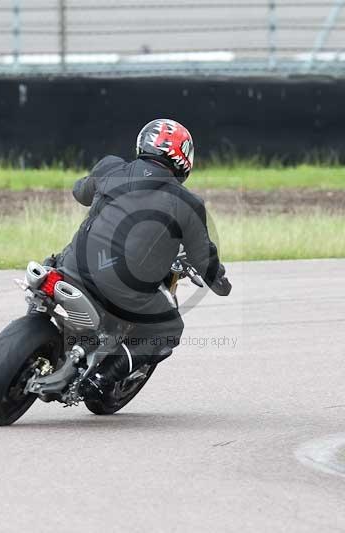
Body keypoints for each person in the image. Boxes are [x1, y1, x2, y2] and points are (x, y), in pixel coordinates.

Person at [55, 118, 232, 399]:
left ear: (143, 143)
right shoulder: (188, 203)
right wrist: (221, 283)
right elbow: (203, 259)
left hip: (72, 266)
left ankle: (41, 321)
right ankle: (102, 379)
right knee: (170, 327)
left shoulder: (110, 167)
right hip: (119, 289)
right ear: (184, 159)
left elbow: (80, 192)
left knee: (52, 266)